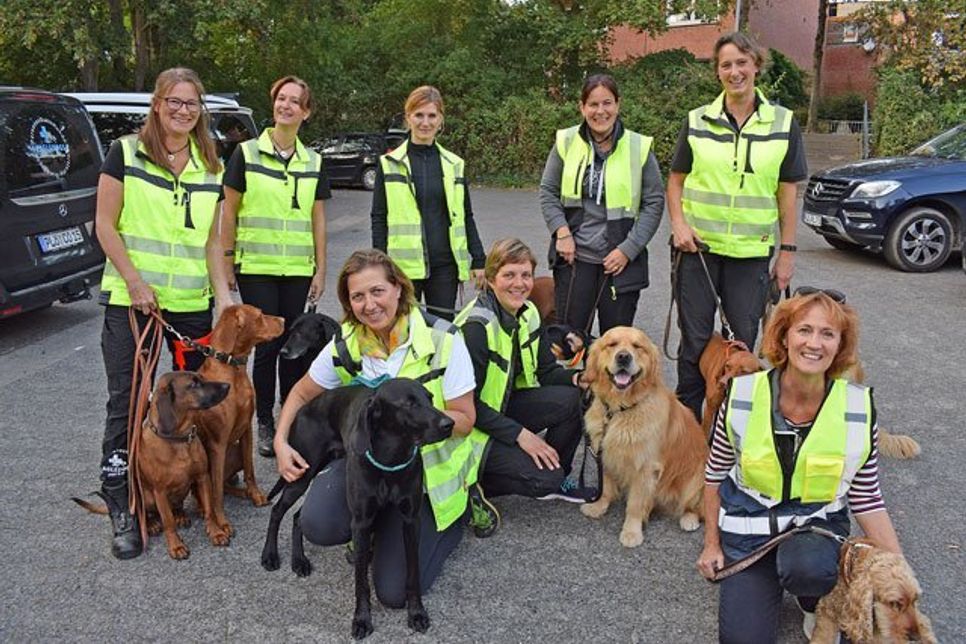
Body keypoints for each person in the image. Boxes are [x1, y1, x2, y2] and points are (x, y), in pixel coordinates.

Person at [272, 249, 477, 607]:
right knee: (318, 524)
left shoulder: (443, 340)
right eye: (358, 296)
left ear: (398, 288)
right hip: (373, 469)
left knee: (394, 594)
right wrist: (280, 442)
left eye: (377, 291)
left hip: (429, 479)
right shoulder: (348, 343)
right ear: (349, 304)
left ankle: (450, 523)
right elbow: (302, 392)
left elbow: (465, 417)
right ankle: (376, 523)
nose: (369, 305)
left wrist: (418, 426)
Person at [697, 288, 902, 643]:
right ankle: (765, 582)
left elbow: (867, 498)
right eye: (804, 330)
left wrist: (899, 570)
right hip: (750, 537)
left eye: (828, 334)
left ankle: (816, 602)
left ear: (840, 345)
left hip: (814, 534)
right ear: (784, 336)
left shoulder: (857, 409)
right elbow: (714, 474)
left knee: (808, 567)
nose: (814, 343)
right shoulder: (742, 397)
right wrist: (711, 544)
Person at [94, 67, 231, 559]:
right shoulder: (126, 153)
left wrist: (225, 298)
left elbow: (213, 242)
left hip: (191, 307)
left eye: (191, 104)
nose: (182, 110)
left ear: (200, 111)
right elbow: (104, 225)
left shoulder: (210, 164)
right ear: (157, 104)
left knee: (190, 404)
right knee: (127, 403)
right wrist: (133, 280)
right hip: (133, 304)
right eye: (174, 101)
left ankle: (187, 489)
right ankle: (124, 504)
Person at [667, 32, 807, 423]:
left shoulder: (783, 123)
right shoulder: (697, 120)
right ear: (717, 72)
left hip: (750, 254)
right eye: (726, 64)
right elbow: (676, 180)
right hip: (697, 250)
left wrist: (788, 253)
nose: (734, 71)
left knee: (743, 346)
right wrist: (678, 224)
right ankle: (686, 427)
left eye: (742, 63)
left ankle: (734, 432)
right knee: (694, 341)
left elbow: (787, 192)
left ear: (756, 66)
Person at [221, 75, 330, 458]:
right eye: (280, 98)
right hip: (258, 267)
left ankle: (293, 416)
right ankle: (264, 422)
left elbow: (318, 219)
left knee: (295, 346)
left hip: (298, 269)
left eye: (294, 101)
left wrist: (320, 268)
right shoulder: (246, 153)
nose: (285, 105)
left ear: (306, 111)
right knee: (266, 348)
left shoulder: (314, 161)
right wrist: (227, 258)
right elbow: (229, 211)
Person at [455, 238, 594, 506]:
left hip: (504, 407)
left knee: (576, 396)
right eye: (509, 275)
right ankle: (470, 484)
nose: (519, 284)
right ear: (492, 279)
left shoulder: (528, 311)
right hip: (472, 426)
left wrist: (578, 378)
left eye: (526, 275)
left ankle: (558, 474)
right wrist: (521, 435)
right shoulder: (476, 328)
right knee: (545, 480)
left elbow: (547, 371)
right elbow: (467, 407)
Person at [539, 73, 664, 334]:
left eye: (607, 103)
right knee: (570, 340)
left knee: (615, 344)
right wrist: (561, 233)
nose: (600, 111)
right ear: (582, 107)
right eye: (593, 104)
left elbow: (654, 203)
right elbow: (548, 191)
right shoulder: (566, 142)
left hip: (620, 262)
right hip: (575, 260)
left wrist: (628, 250)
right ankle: (574, 377)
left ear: (618, 105)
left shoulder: (638, 147)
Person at [370, 85, 486, 319]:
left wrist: (479, 259)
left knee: (442, 334)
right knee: (403, 333)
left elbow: (466, 215)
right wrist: (379, 264)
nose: (425, 122)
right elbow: (379, 217)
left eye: (432, 115)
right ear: (408, 118)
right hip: (402, 268)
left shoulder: (454, 164)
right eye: (419, 115)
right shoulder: (389, 163)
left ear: (441, 119)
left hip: (445, 266)